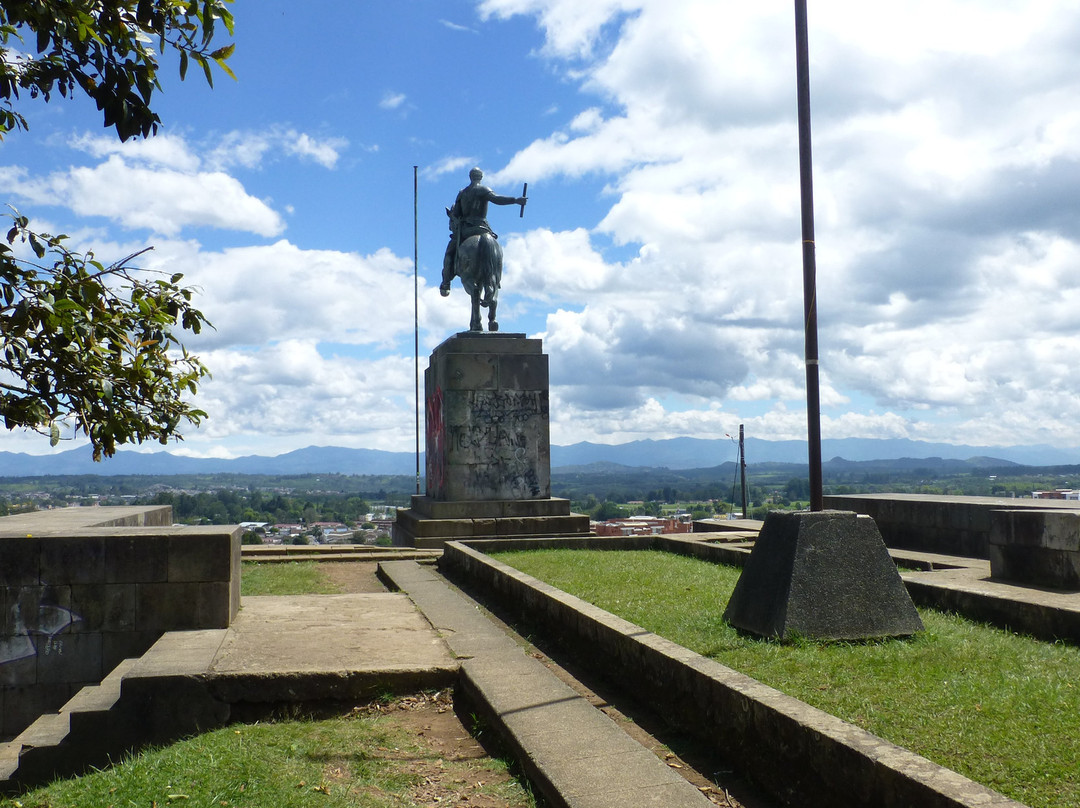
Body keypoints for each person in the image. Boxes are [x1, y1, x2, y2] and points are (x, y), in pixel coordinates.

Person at [441, 167, 526, 295]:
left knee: (449, 254)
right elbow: (497, 199)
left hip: (466, 231)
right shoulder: (483, 190)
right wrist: (515, 200)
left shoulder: (463, 192)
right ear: (481, 177)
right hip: (482, 228)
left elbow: (457, 213)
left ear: (470, 177)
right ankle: (494, 278)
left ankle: (446, 282)